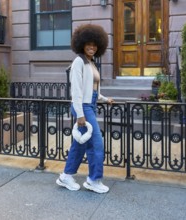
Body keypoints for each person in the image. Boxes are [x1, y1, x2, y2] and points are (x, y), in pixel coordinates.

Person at [56, 24, 114, 193]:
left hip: (90, 105)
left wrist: (104, 98)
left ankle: (66, 176)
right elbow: (76, 91)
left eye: (95, 45)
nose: (92, 47)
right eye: (89, 44)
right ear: (81, 44)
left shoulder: (91, 62)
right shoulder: (79, 62)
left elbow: (92, 88)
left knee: (80, 144)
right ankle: (94, 180)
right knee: (96, 143)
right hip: (83, 107)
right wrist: (80, 114)